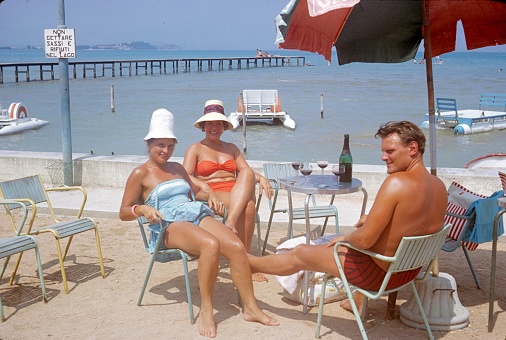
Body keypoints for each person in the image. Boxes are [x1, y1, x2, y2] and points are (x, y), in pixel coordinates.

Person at [247, 121, 448, 315]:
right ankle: (358, 301)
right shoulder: (438, 186)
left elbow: (364, 240)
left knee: (300, 253)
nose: (383, 157)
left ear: (412, 148)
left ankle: (249, 264)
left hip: (376, 275)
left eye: (390, 151)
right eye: (383, 151)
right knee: (349, 237)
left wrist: (346, 238)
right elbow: (413, 224)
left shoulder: (396, 182)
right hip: (408, 273)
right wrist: (371, 220)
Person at [119, 109, 279, 338]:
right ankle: (206, 309)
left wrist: (210, 194)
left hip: (194, 213)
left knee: (235, 246)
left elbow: (194, 193)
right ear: (149, 143)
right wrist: (141, 208)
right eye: (160, 145)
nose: (166, 151)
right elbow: (123, 212)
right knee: (210, 245)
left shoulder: (177, 169)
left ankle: (251, 308)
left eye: (170, 146)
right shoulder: (140, 173)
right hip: (168, 225)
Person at [183, 100, 272, 282]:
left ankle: (235, 237)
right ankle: (244, 259)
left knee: (247, 183)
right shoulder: (195, 149)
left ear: (224, 127)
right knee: (247, 206)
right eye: (210, 123)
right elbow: (184, 176)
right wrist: (206, 187)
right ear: (203, 126)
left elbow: (246, 172)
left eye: (218, 124)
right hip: (210, 193)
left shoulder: (231, 148)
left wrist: (261, 178)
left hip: (234, 191)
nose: (214, 127)